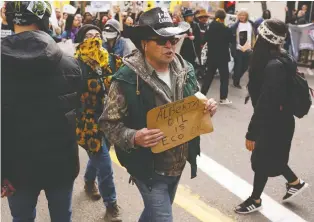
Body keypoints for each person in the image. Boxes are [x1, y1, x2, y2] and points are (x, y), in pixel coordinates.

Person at [99, 7, 218, 221]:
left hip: (178, 163)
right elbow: (108, 123)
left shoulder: (186, 68)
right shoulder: (126, 78)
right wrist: (134, 137)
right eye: (162, 40)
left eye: (172, 39)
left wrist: (206, 106)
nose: (170, 45)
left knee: (153, 215)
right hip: (148, 169)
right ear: (145, 44)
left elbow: (195, 98)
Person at [2, 1, 82, 221]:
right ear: (45, 20)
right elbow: (80, 111)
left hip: (14, 169)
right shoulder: (71, 65)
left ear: (8, 19)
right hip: (61, 165)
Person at [234, 19, 309, 214]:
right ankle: (295, 182)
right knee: (271, 157)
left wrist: (252, 133)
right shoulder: (279, 57)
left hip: (274, 122)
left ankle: (255, 199)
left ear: (263, 38)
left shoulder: (273, 66)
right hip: (279, 119)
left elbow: (266, 104)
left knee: (261, 160)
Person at [74, 24, 122, 222]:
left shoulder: (110, 60)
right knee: (104, 163)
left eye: (98, 35)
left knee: (100, 156)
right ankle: (111, 206)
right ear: (83, 41)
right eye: (89, 35)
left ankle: (88, 182)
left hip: (109, 120)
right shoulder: (77, 64)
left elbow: (125, 80)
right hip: (88, 122)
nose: (94, 38)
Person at [201, 9, 233, 105]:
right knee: (224, 78)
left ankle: (202, 95)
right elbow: (231, 40)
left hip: (211, 55)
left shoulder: (210, 26)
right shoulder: (226, 28)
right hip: (223, 57)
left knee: (208, 76)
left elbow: (204, 40)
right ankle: (223, 98)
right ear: (224, 18)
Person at [231, 9, 256, 89]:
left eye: (243, 15)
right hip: (238, 49)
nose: (242, 17)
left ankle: (235, 76)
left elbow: (254, 34)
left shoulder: (251, 24)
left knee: (245, 67)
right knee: (238, 66)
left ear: (246, 16)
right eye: (240, 15)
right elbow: (232, 37)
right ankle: (236, 82)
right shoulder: (235, 26)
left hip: (248, 49)